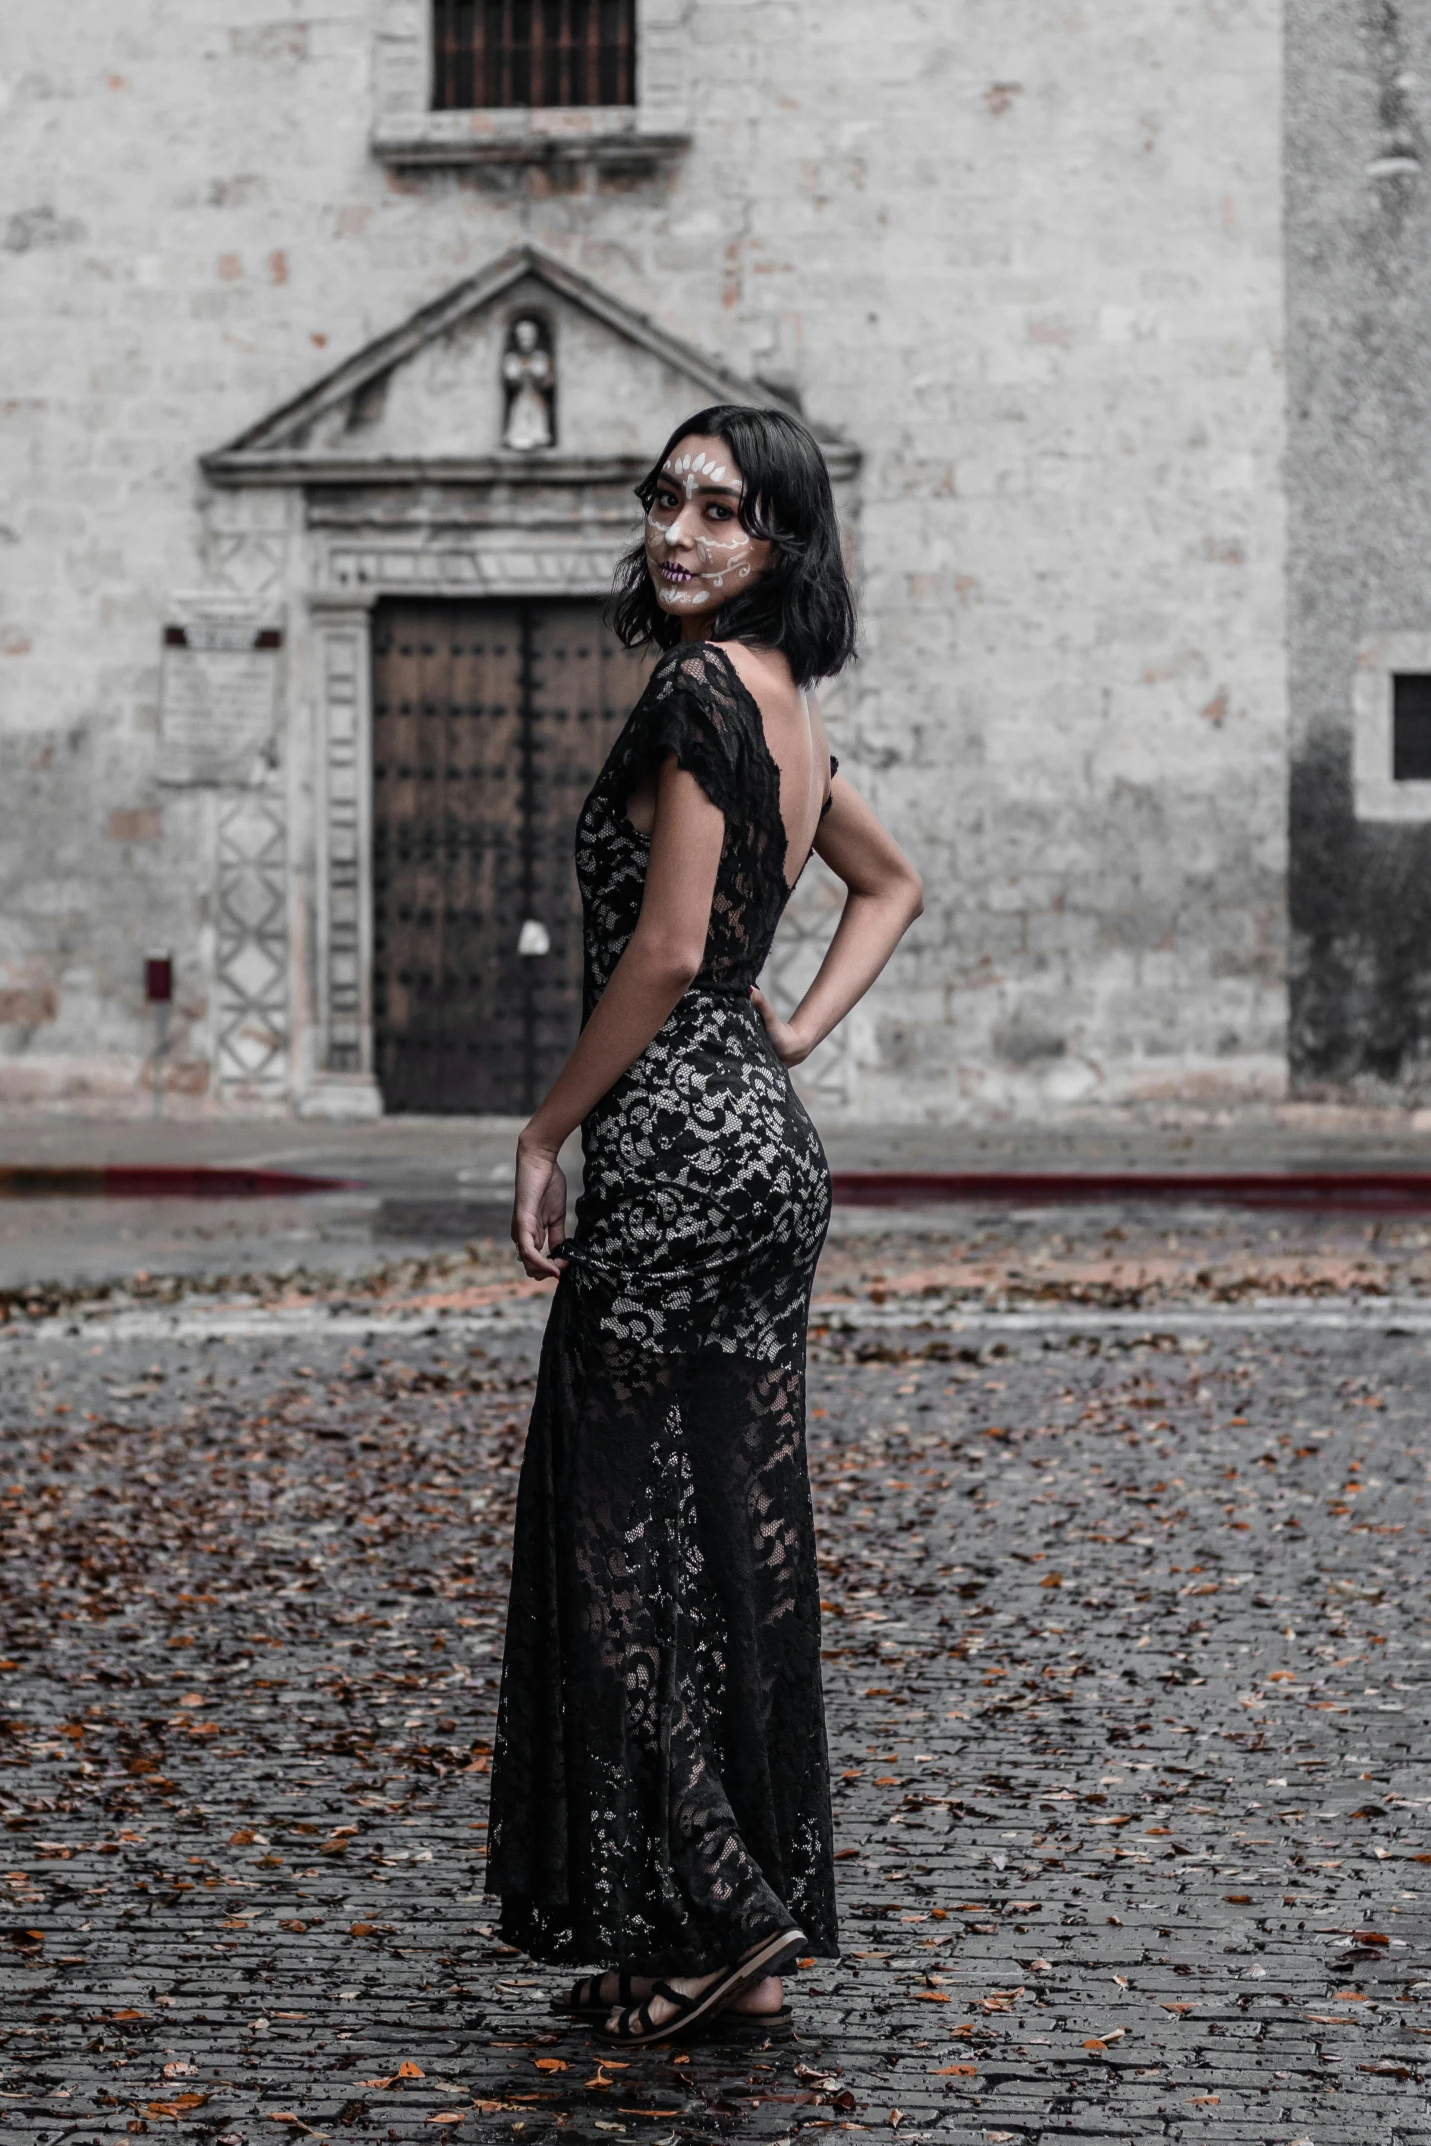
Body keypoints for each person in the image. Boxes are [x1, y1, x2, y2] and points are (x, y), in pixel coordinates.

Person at [485, 403, 923, 2046]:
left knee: (617, 1543)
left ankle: (729, 1915)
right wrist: (791, 1035)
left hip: (673, 1146)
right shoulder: (786, 709)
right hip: (768, 1158)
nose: (680, 530)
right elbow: (890, 884)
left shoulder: (692, 693)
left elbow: (666, 952)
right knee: (731, 1545)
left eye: (724, 511)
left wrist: (548, 1124)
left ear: (780, 543)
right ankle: (710, 1909)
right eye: (665, 497)